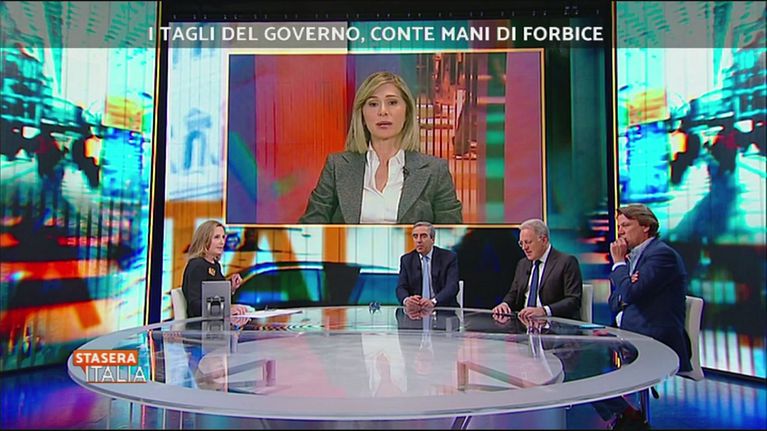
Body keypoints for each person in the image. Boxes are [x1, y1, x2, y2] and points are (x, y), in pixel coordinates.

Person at [299, 71, 463, 224]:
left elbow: (452, 235)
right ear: (362, 115)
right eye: (373, 104)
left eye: (392, 102)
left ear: (407, 112)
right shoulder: (337, 166)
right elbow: (310, 228)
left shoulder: (435, 171)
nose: (383, 111)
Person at [595, 204, 692, 429]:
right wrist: (627, 284)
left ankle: (629, 417)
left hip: (654, 338)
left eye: (626, 225)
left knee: (588, 371)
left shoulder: (661, 255)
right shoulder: (635, 258)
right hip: (627, 335)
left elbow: (629, 293)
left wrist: (619, 264)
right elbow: (615, 301)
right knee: (576, 362)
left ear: (646, 226)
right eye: (619, 226)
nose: (620, 231)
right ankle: (627, 414)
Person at [491, 219, 583, 322]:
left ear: (544, 240)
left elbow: (573, 300)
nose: (524, 248)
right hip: (524, 323)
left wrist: (544, 311)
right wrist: (505, 304)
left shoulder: (566, 262)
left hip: (555, 325)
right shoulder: (523, 264)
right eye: (521, 243)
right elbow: (514, 293)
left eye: (528, 242)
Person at [181, 220, 250, 318]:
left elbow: (216, 298)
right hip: (200, 324)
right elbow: (195, 305)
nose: (222, 242)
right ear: (204, 240)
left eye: (223, 237)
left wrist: (231, 288)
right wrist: (226, 310)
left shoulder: (215, 265)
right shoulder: (196, 265)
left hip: (216, 322)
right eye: (217, 237)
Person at [396, 221, 460, 310]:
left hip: (443, 309)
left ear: (432, 239)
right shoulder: (406, 260)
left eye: (423, 236)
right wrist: (407, 300)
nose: (419, 240)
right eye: (415, 236)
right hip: (416, 312)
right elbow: (401, 287)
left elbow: (452, 286)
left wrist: (433, 301)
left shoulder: (448, 258)